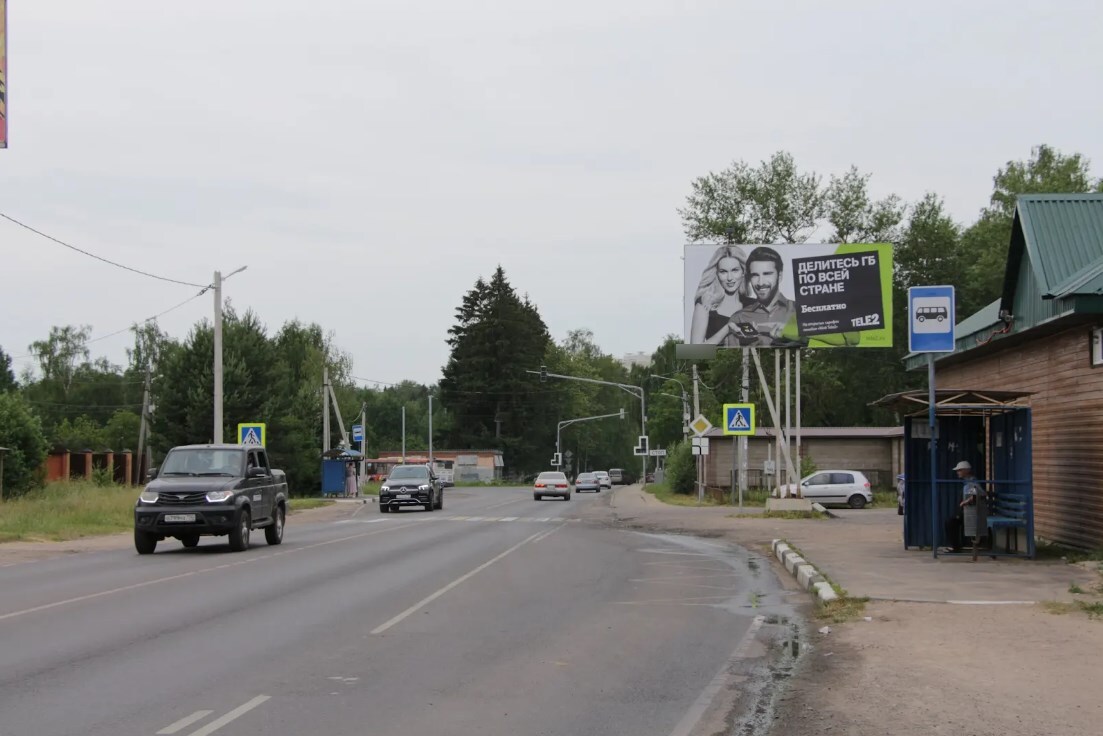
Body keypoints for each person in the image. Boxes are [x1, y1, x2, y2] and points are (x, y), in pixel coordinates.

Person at [731, 246, 862, 348]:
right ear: (749, 278)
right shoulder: (739, 318)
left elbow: (852, 340)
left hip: (800, 370)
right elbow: (713, 352)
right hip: (752, 374)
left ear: (780, 275)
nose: (760, 282)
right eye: (755, 275)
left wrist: (795, 331)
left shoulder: (801, 310)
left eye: (767, 273)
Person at [690, 244, 750, 346]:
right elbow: (693, 353)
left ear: (743, 272)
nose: (730, 278)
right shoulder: (705, 304)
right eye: (723, 272)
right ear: (717, 274)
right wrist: (727, 328)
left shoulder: (753, 305)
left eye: (735, 270)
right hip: (715, 362)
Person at [942, 460, 981, 553]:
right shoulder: (967, 482)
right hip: (968, 511)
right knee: (950, 521)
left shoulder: (971, 482)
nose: (957, 472)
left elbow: (975, 495)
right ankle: (955, 546)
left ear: (966, 471)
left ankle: (955, 547)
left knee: (951, 522)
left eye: (959, 470)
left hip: (972, 512)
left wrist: (965, 502)